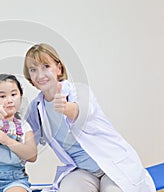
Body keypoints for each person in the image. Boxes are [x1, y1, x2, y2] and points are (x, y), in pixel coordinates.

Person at [23, 43, 156, 192]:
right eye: (33, 70)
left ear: (59, 69)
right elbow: (27, 143)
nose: (40, 75)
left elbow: (82, 112)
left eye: (46, 66)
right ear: (30, 77)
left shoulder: (79, 90)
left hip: (112, 164)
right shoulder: (36, 108)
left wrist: (66, 107)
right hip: (83, 171)